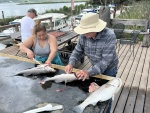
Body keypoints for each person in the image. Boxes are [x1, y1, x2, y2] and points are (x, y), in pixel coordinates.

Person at [65, 13, 118, 113]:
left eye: (87, 31)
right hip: (94, 67)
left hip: (109, 69)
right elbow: (78, 51)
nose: (85, 34)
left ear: (96, 28)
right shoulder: (84, 36)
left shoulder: (109, 35)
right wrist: (71, 63)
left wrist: (88, 72)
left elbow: (105, 61)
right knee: (95, 93)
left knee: (106, 96)